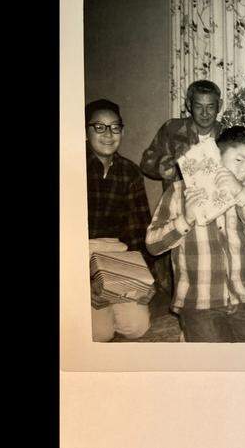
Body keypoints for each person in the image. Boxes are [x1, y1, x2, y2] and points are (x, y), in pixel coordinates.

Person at [145, 126, 245, 343]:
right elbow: (153, 244)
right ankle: (191, 332)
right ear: (215, 156)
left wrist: (242, 196)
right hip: (200, 302)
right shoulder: (178, 193)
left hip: (244, 299)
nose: (244, 173)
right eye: (238, 161)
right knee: (219, 364)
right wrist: (186, 218)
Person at [139, 79, 225, 295]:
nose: (205, 113)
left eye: (210, 106)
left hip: (215, 209)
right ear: (189, 104)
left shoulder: (227, 135)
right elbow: (146, 162)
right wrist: (163, 167)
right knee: (181, 266)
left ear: (219, 106)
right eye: (198, 106)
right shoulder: (172, 128)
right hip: (179, 206)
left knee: (211, 264)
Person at [85, 99, 151, 341]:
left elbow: (139, 231)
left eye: (114, 127)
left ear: (122, 131)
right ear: (86, 130)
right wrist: (81, 283)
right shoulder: (70, 166)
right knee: (99, 334)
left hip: (115, 259)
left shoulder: (130, 172)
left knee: (136, 328)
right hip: (77, 256)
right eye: (99, 127)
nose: (108, 134)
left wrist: (141, 279)